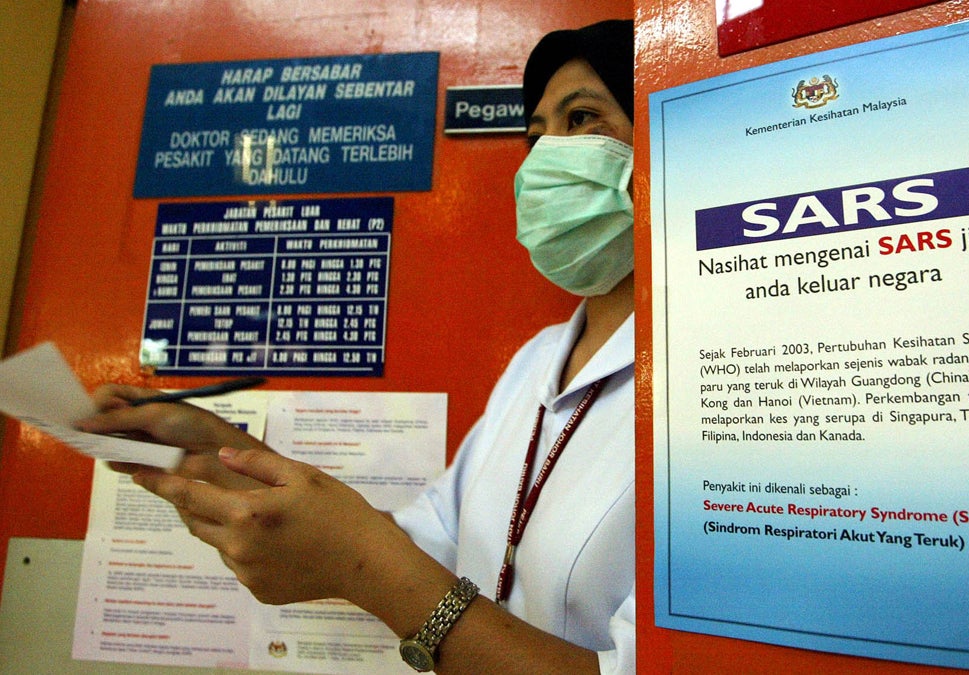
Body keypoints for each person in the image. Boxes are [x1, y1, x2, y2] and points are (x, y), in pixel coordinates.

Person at [76, 19, 636, 675]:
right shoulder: (535, 362)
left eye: (582, 118)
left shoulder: (713, 386)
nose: (545, 157)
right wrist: (212, 450)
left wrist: (356, 563)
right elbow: (420, 548)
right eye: (535, 135)